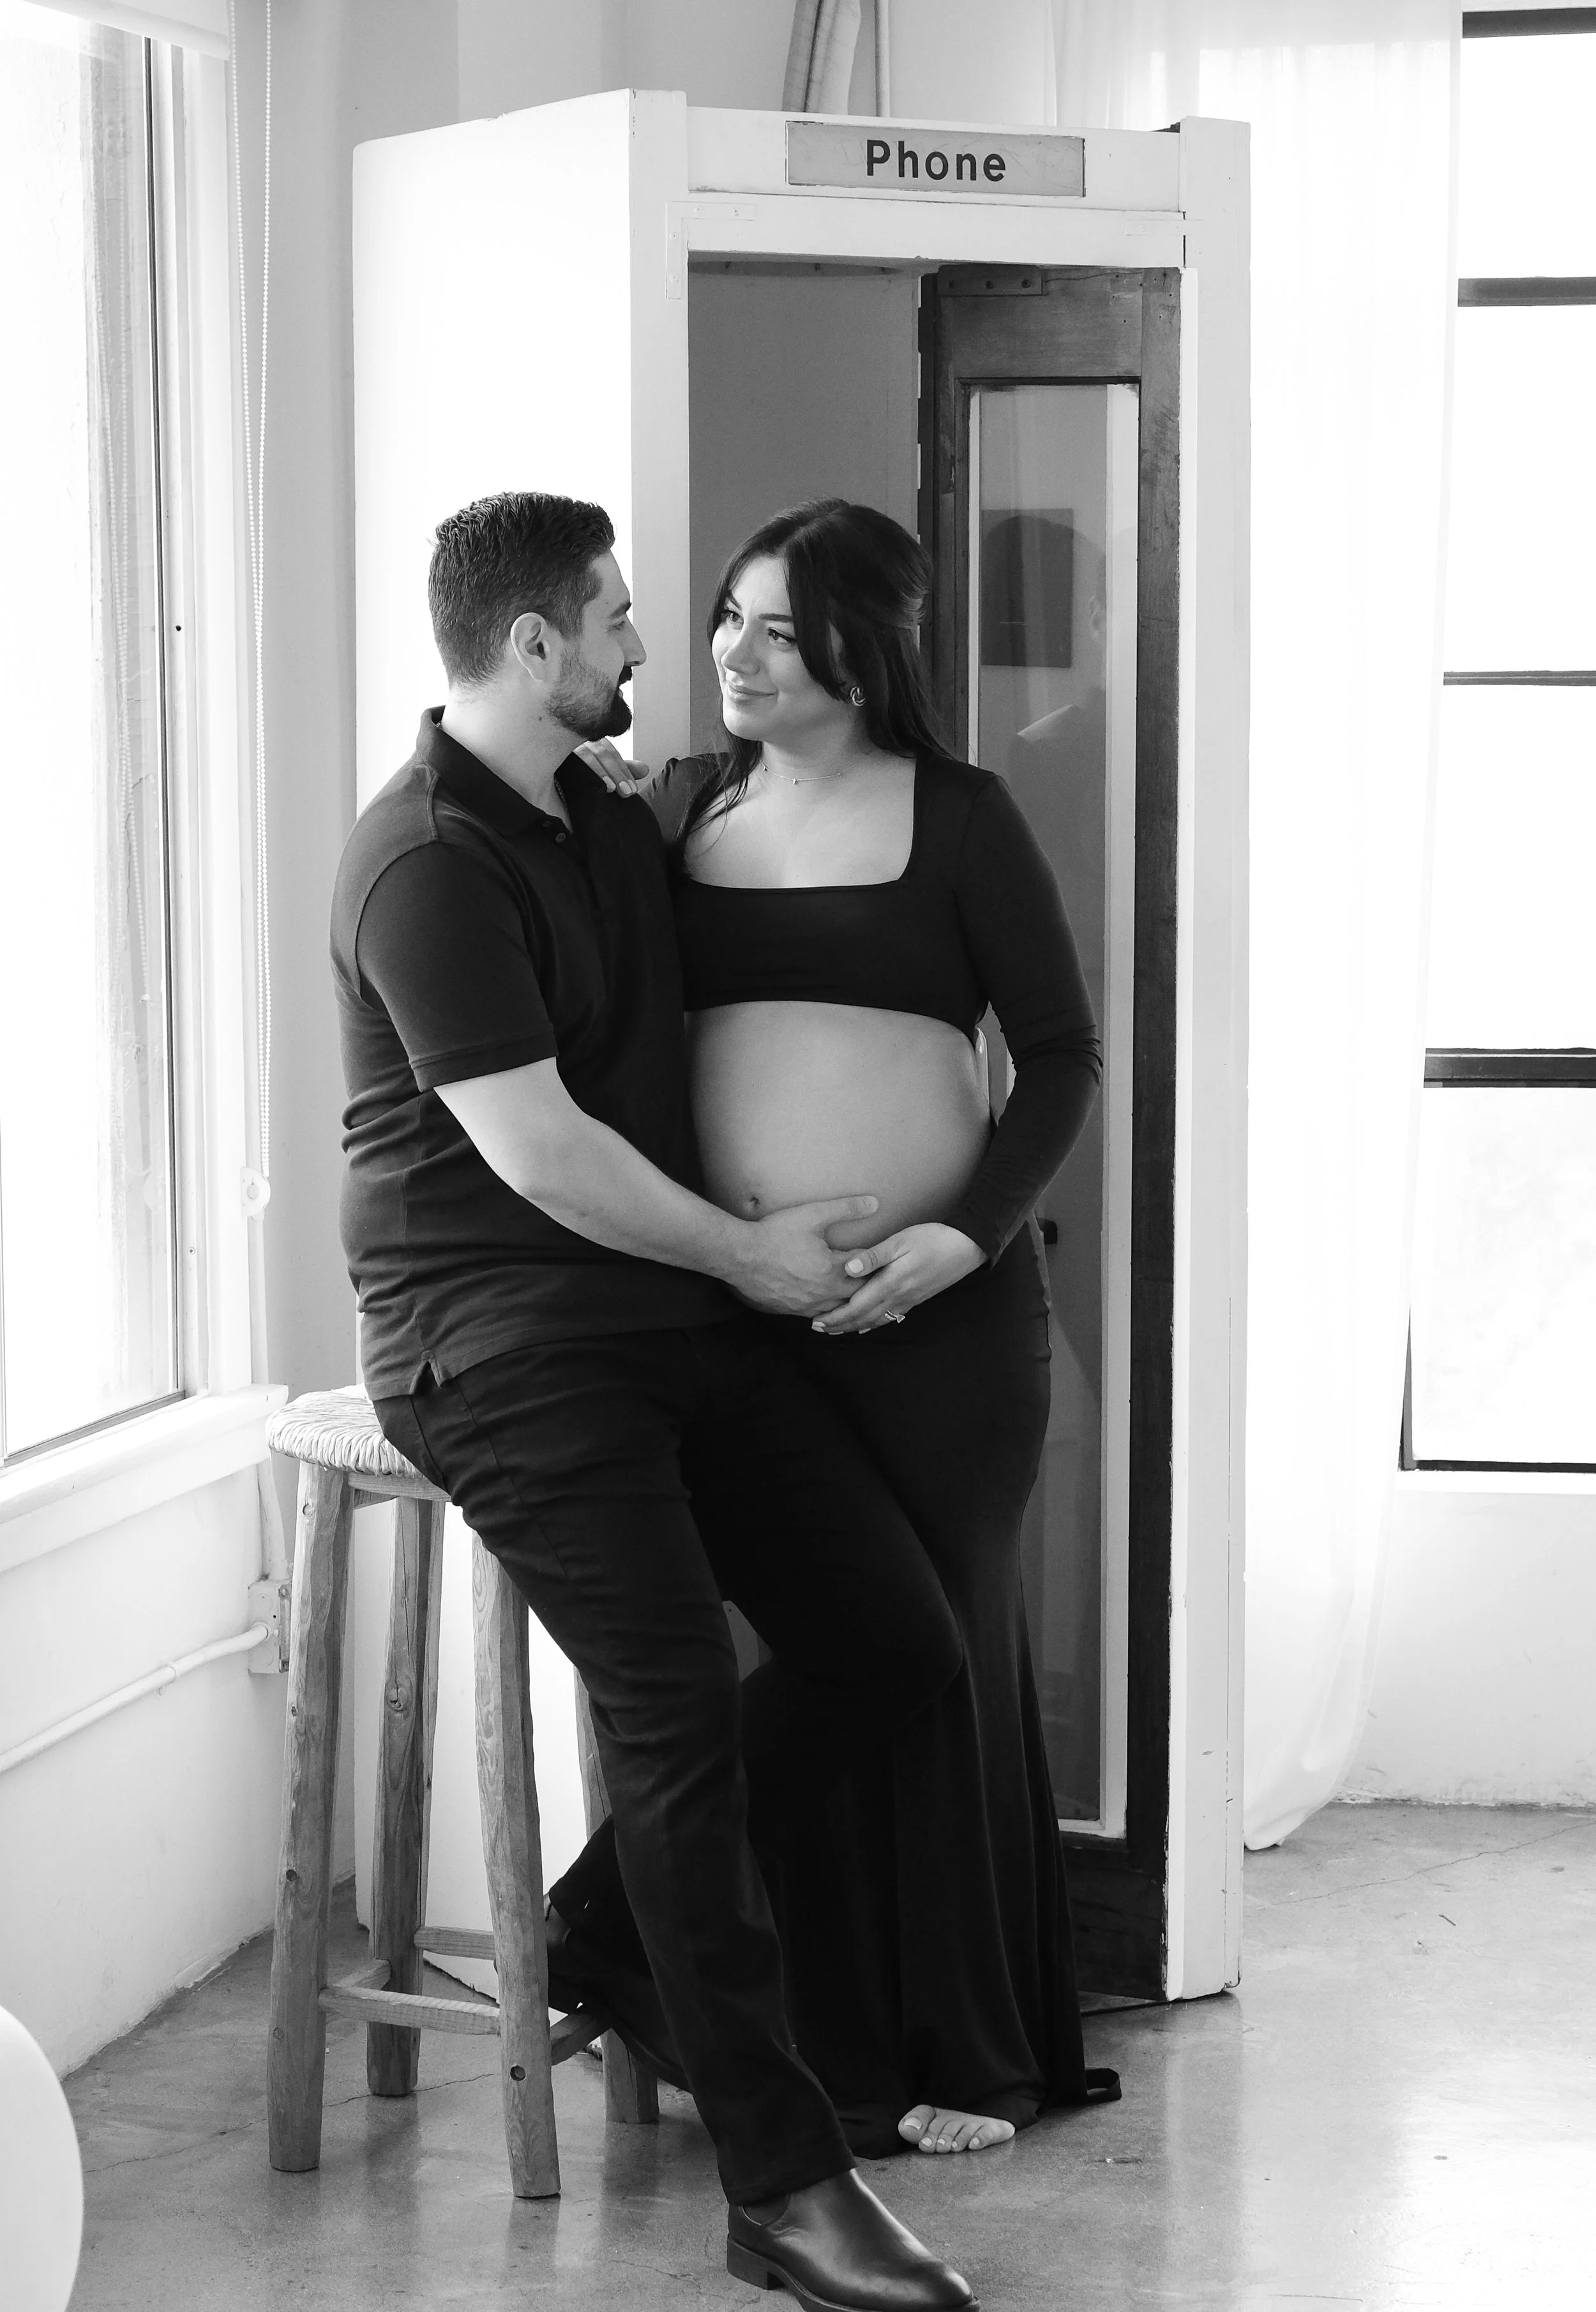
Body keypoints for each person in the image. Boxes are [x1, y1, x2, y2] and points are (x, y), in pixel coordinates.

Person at [330, 490, 978, 2312]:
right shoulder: (420, 862)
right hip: (501, 1340)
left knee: (886, 1639)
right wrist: (755, 1259)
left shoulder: (604, 811)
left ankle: (603, 1930)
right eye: (617, 618)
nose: (647, 645)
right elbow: (539, 1155)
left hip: (659, 1311)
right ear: (534, 648)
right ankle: (785, 2183)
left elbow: (756, 835)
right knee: (677, 1703)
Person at [593, 497, 1120, 2159]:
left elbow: (1060, 1054)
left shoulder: (958, 818)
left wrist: (957, 1239)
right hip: (743, 1324)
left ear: (859, 648)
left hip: (945, 1327)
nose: (731, 654)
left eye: (772, 627)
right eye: (724, 619)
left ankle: (965, 2048)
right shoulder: (676, 809)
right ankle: (797, 2029)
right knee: (831, 1663)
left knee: (945, 1656)